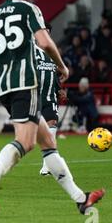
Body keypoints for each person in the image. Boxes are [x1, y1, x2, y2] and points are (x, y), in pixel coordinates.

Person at [0, 0, 104, 215]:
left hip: (5, 87)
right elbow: (44, 41)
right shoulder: (28, 8)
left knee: (48, 142)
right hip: (26, 83)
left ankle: (81, 199)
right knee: (26, 141)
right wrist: (61, 65)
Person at [34, 24, 67, 176]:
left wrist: (59, 88)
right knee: (31, 136)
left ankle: (46, 165)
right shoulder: (31, 52)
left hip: (49, 96)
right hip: (35, 97)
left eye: (48, 32)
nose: (46, 33)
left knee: (52, 124)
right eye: (44, 31)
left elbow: (53, 74)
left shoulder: (53, 53)